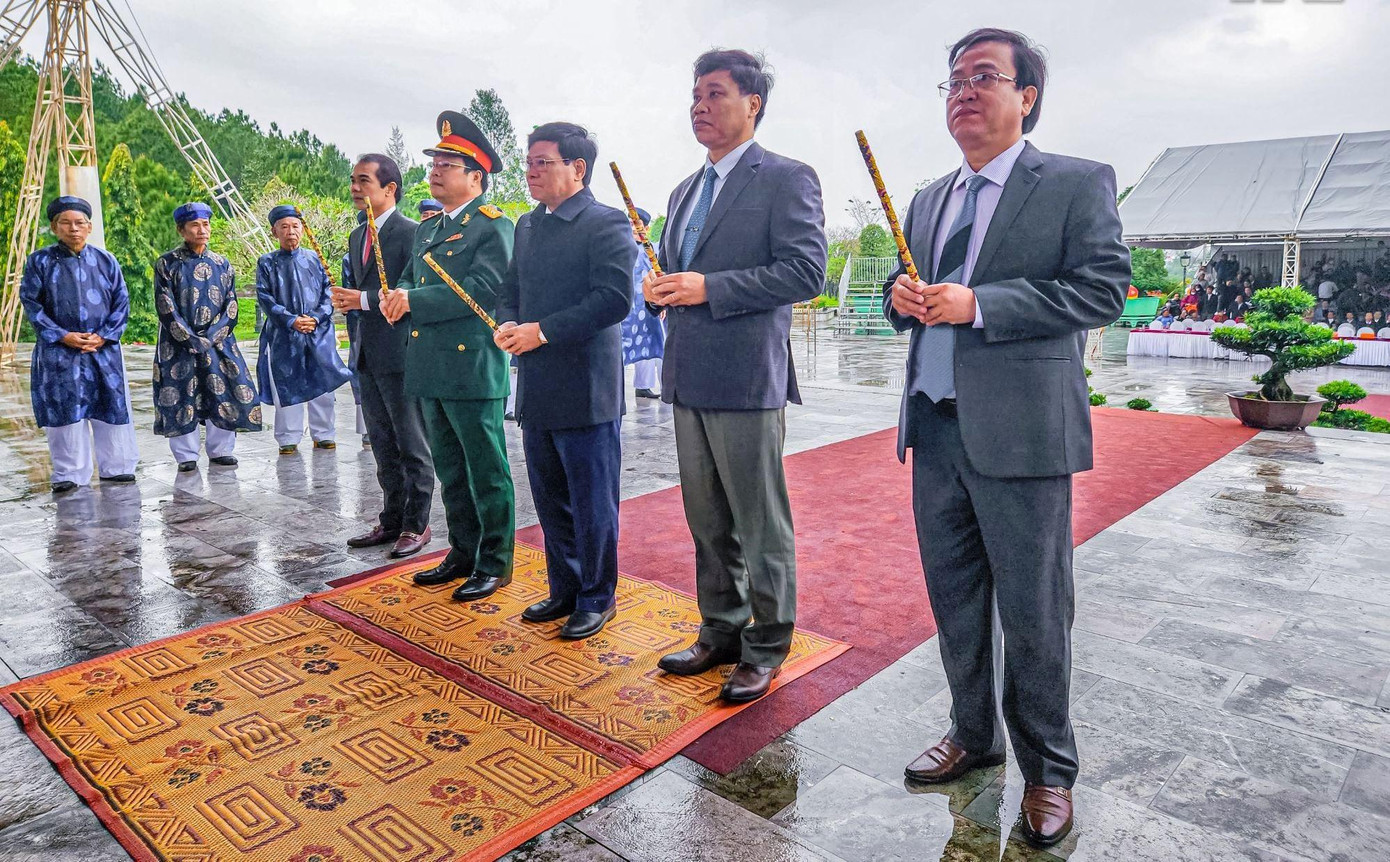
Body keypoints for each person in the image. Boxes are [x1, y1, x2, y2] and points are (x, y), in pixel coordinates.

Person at [883, 28, 1128, 847]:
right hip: (935, 427)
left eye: (983, 76)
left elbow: (1102, 290)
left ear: (1027, 96)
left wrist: (981, 304)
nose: (963, 90)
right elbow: (907, 290)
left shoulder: (1074, 183)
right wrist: (902, 297)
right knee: (954, 600)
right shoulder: (929, 199)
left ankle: (1049, 770)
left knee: (1034, 611)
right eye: (953, 79)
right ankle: (973, 733)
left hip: (1023, 434)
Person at [645, 49, 827, 704]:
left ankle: (768, 643)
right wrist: (660, 290)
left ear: (753, 104)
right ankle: (720, 628)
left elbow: (805, 271)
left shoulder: (785, 178)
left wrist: (708, 287)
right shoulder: (682, 192)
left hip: (747, 377)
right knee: (707, 518)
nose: (699, 105)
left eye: (715, 93)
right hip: (687, 374)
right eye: (695, 95)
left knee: (759, 522)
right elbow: (677, 273)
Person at [495, 122, 634, 639]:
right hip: (537, 385)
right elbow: (510, 287)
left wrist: (542, 331)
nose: (531, 172)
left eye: (542, 163)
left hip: (586, 387)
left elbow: (613, 299)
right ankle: (564, 589)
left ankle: (597, 596)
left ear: (578, 168)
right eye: (528, 163)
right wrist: (508, 323)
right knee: (550, 497)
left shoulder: (605, 222)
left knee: (592, 502)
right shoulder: (528, 225)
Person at [381, 111, 516, 601]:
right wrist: (397, 295)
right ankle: (463, 550)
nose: (434, 171)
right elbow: (410, 278)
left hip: (472, 365)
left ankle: (495, 561)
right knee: (450, 468)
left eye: (446, 165)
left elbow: (482, 289)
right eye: (434, 163)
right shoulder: (428, 229)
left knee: (485, 469)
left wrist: (413, 300)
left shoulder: (493, 226)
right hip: (431, 363)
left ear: (475, 177)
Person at [330, 154, 435, 559]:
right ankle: (391, 518)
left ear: (390, 189)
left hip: (402, 352)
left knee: (412, 443)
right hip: (367, 353)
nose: (355, 188)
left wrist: (362, 299)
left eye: (364, 181)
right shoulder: (358, 235)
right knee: (381, 443)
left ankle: (417, 523)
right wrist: (349, 302)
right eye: (353, 180)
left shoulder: (413, 233)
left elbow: (413, 293)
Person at [20, 196, 140, 492]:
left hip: (103, 349)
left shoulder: (106, 260)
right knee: (65, 415)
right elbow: (32, 304)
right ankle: (69, 473)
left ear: (89, 227)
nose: (73, 228)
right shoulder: (39, 262)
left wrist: (104, 335)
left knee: (110, 408)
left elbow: (121, 302)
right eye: (66, 223)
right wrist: (63, 335)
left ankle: (117, 467)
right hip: (60, 352)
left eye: (79, 223)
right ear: (54, 227)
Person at [152, 202, 262, 471]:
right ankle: (186, 456)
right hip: (178, 344)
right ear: (181, 230)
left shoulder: (222, 264)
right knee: (180, 395)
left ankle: (221, 450)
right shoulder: (167, 263)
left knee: (226, 390)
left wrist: (211, 337)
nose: (202, 230)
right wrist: (189, 339)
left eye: (206, 224)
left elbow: (231, 306)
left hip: (219, 342)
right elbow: (165, 305)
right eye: (195, 225)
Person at [255, 205, 353, 454]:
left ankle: (324, 434)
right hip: (284, 334)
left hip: (318, 332)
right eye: (284, 227)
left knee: (323, 384)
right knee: (287, 384)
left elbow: (328, 292)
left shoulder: (314, 259)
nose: (291, 232)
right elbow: (265, 297)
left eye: (295, 226)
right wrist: (291, 321)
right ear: (274, 232)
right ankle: (288, 437)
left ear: (302, 229)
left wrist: (316, 318)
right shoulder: (267, 263)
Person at [622, 207, 665, 398]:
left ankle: (645, 385)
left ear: (646, 228)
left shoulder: (653, 250)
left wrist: (661, 302)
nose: (633, 227)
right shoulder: (620, 247)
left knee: (651, 343)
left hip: (649, 305)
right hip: (626, 306)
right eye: (630, 223)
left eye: (637, 224)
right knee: (624, 346)